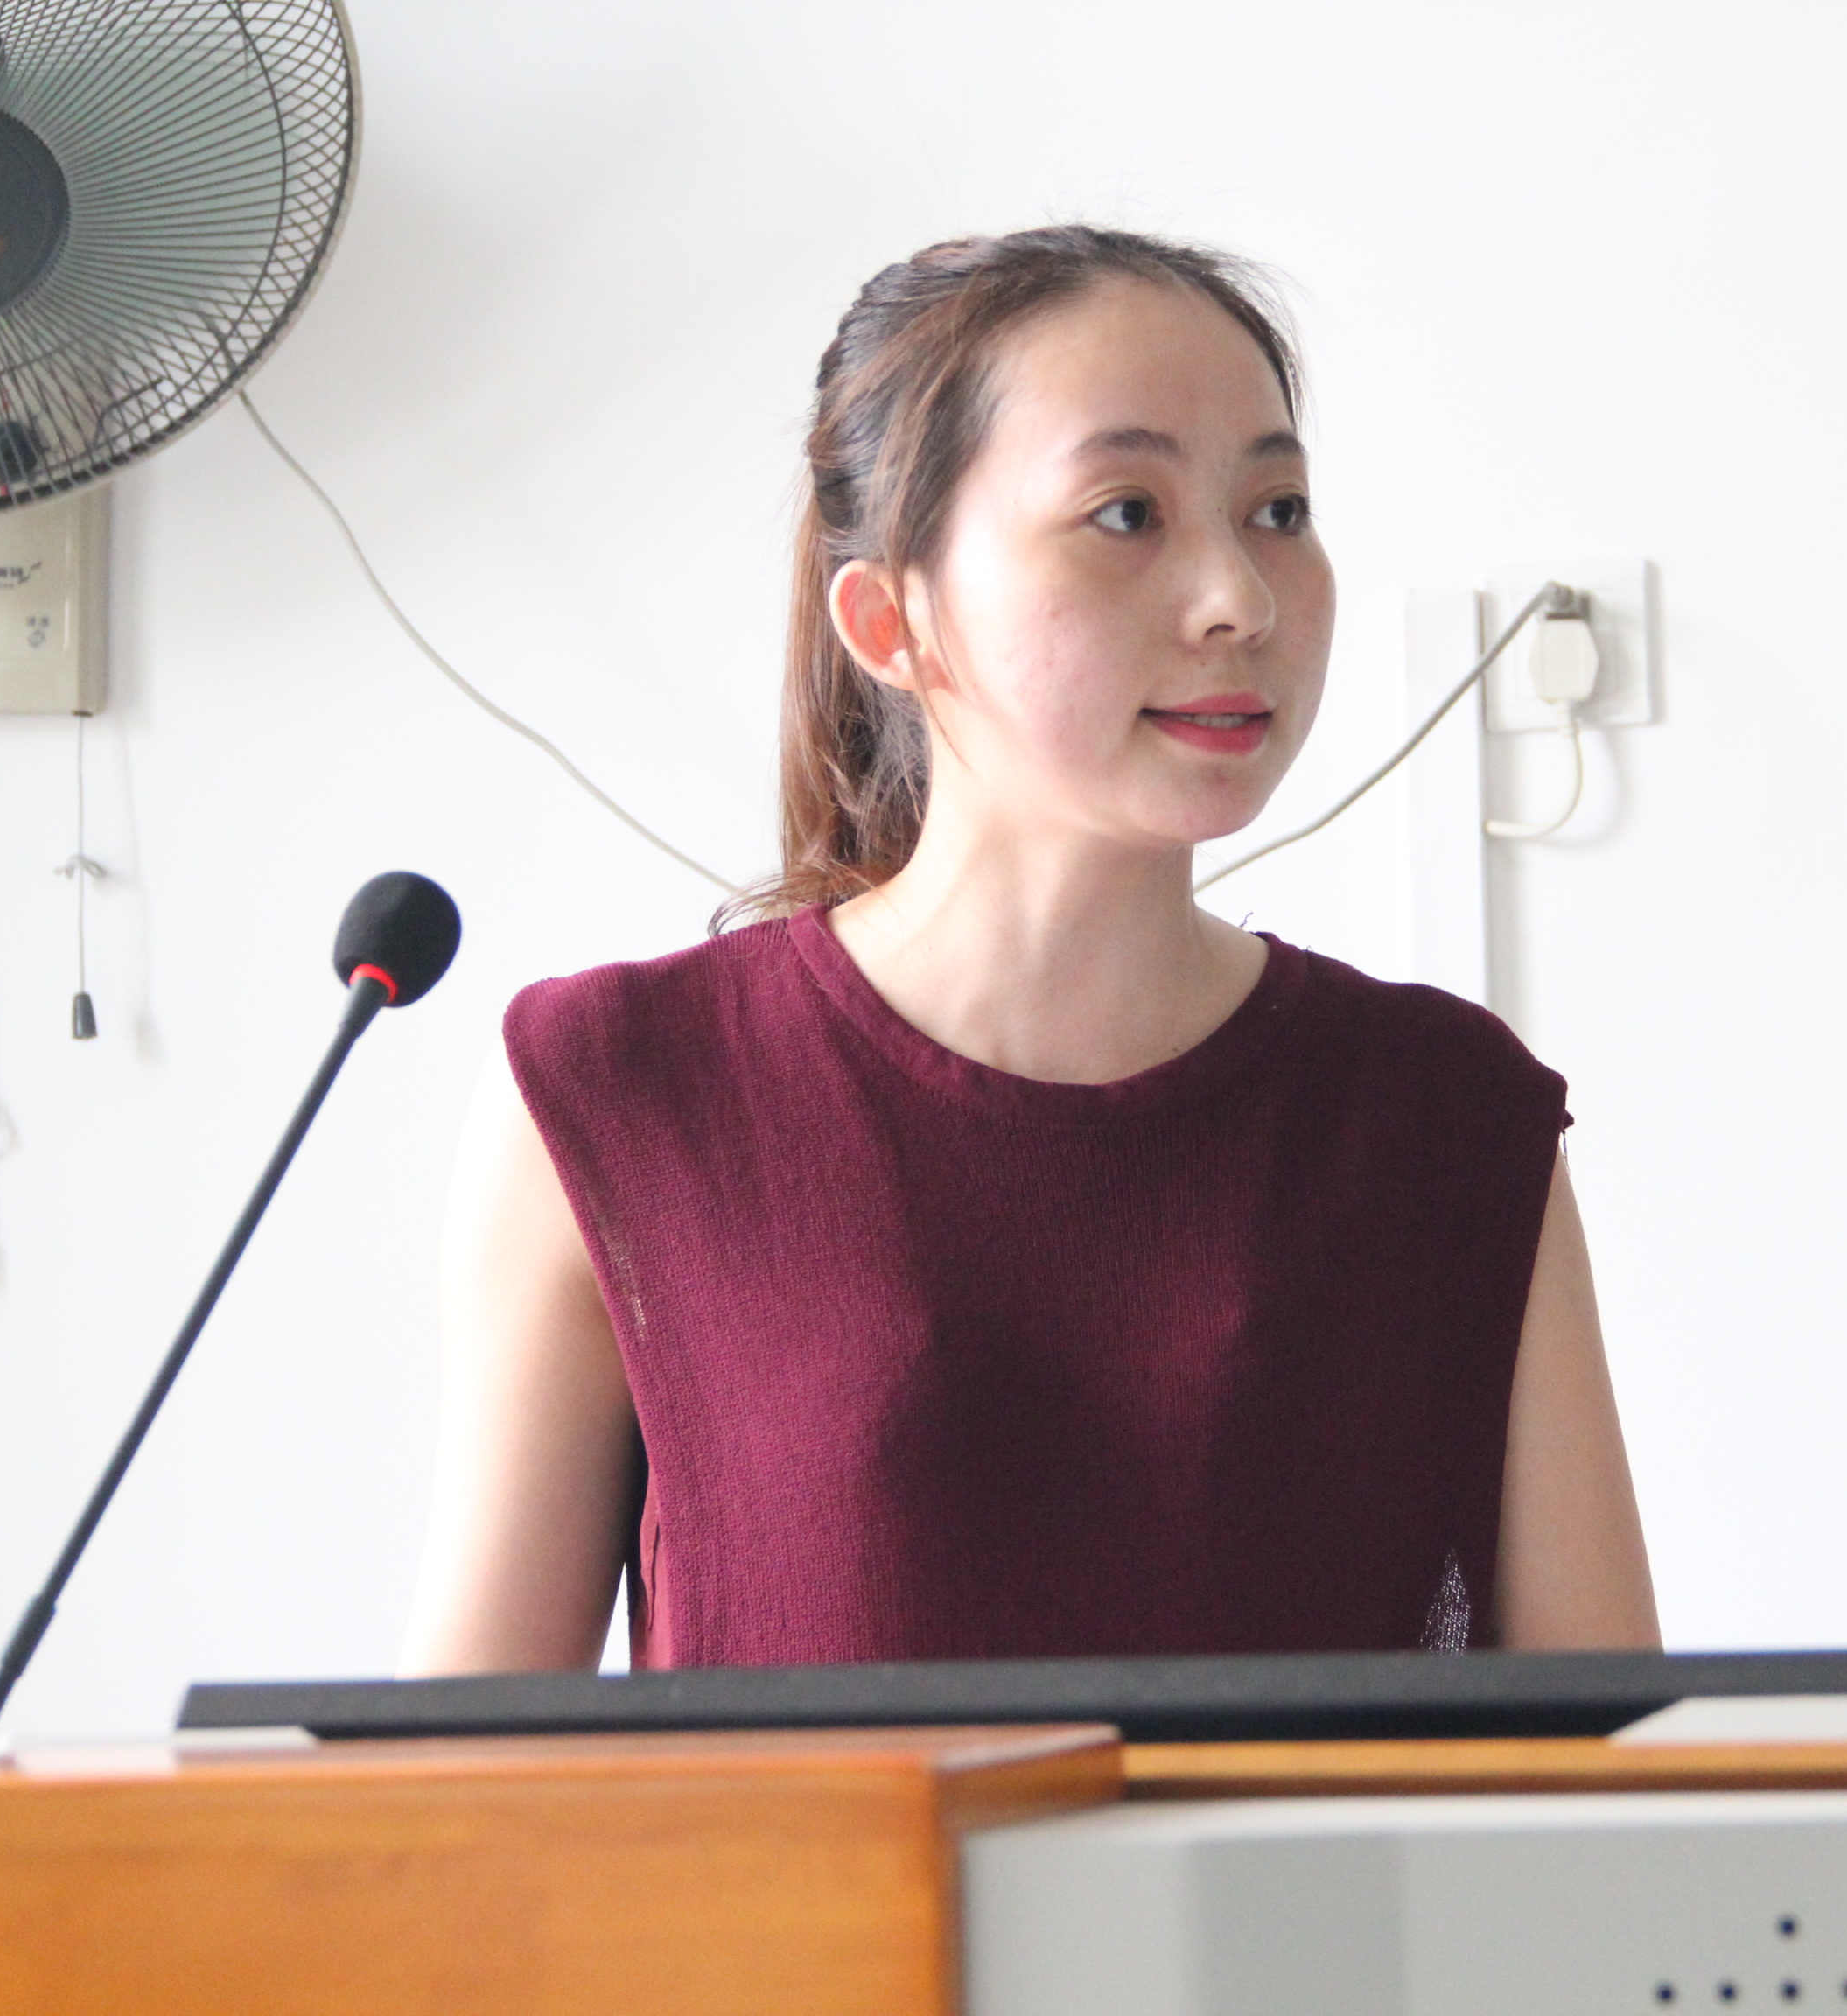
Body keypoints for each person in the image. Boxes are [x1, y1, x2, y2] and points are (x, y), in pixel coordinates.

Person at [402, 226, 1658, 1675]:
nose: (1241, 599)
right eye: (1127, 514)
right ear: (892, 619)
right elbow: (466, 1770)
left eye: (1279, 509)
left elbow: (1614, 1761)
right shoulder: (624, 1089)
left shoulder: (1450, 1116)